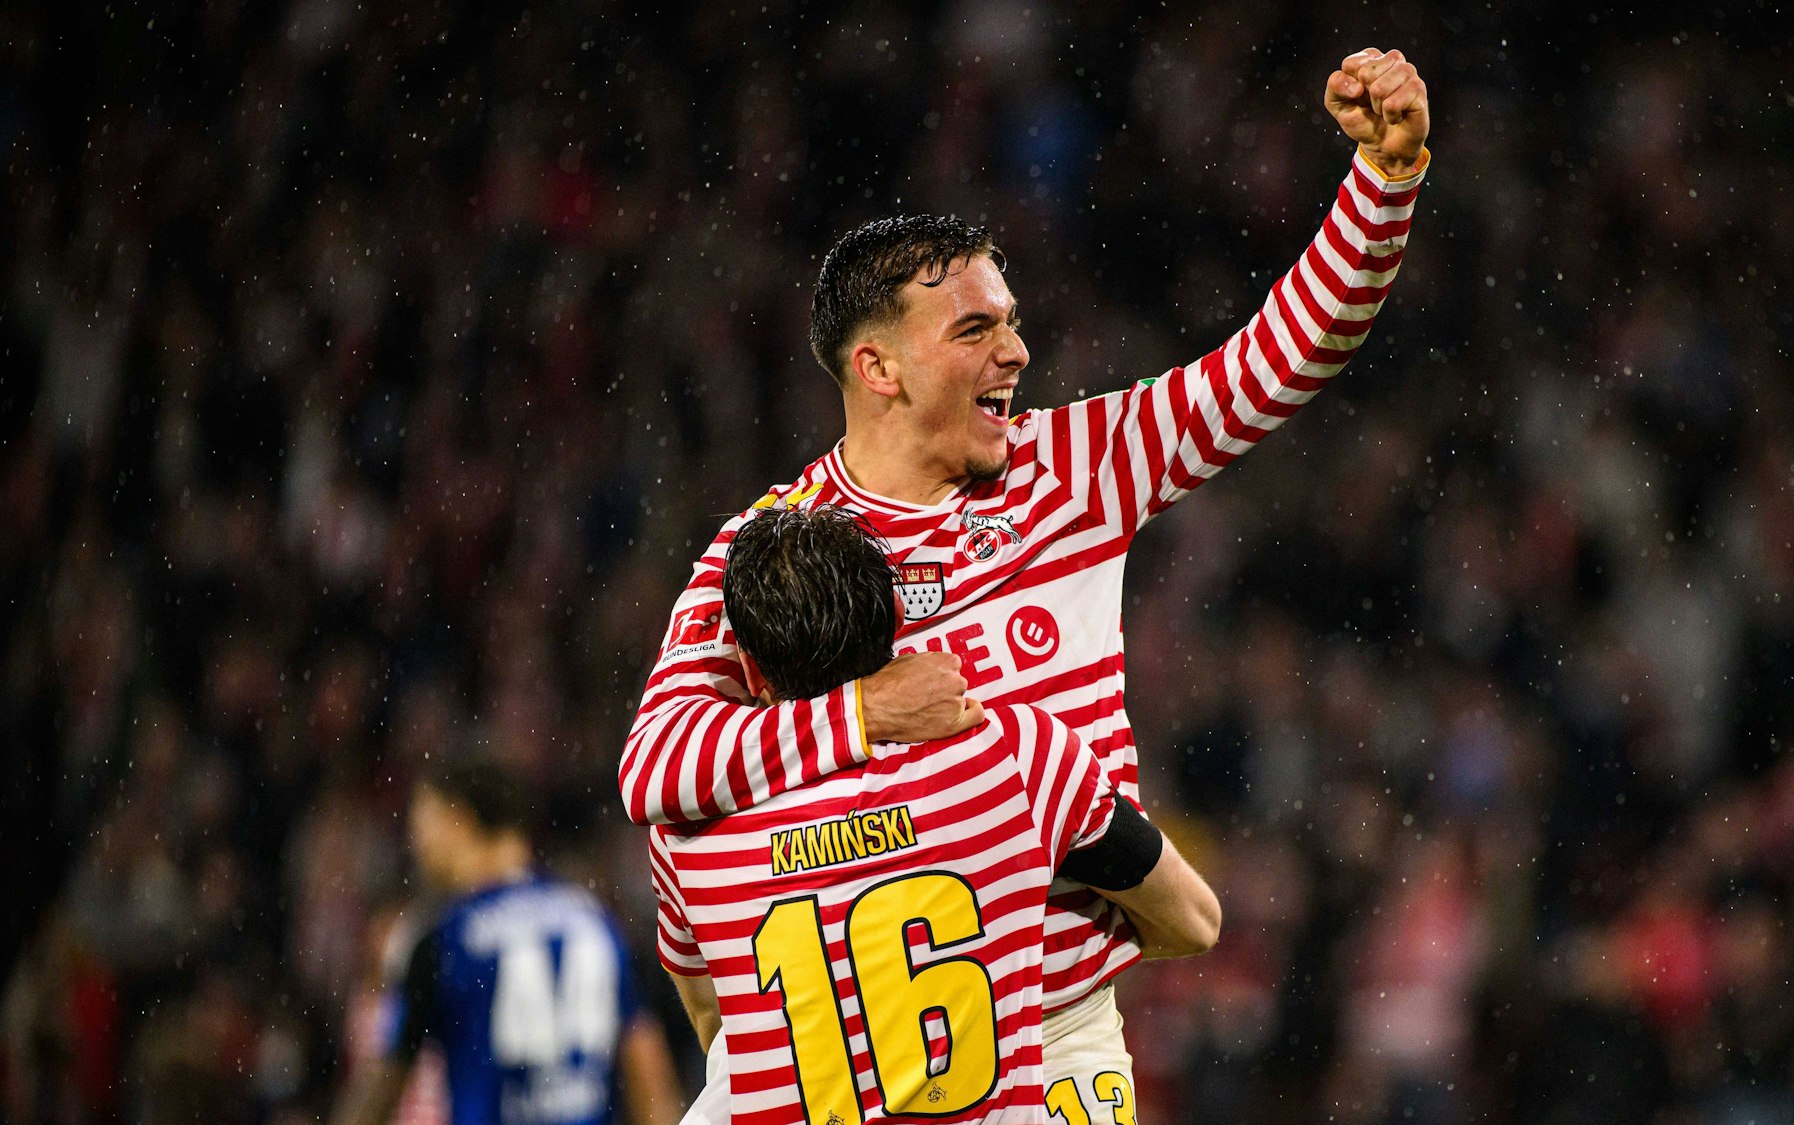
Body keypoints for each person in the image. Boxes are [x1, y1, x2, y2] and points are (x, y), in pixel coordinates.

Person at [621, 46, 1429, 1121]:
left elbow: (1277, 360)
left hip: (1045, 1039)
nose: (1016, 349)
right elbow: (657, 769)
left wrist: (1384, 179)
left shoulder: (1080, 466)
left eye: (1009, 318)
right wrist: (865, 714)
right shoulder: (766, 549)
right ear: (878, 369)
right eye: (975, 329)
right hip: (828, 1037)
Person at [650, 506, 1220, 1124]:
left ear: (751, 669)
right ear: (898, 624)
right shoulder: (1018, 758)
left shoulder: (687, 828)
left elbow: (716, 1025)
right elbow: (1195, 921)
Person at [334, 763, 684, 1125]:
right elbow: (653, 1087)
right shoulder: (594, 922)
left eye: (423, 820)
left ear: (458, 819)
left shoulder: (444, 939)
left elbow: (379, 1093)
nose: (416, 841)